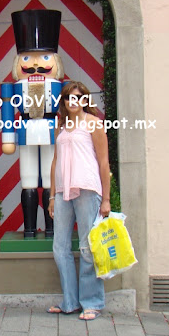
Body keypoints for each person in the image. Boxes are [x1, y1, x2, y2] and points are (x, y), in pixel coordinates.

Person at [47, 81, 111, 321]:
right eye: (68, 98)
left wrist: (106, 199)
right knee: (60, 247)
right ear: (64, 101)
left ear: (85, 100)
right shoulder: (60, 126)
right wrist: (53, 195)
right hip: (63, 192)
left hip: (87, 189)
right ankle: (70, 302)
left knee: (87, 247)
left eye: (78, 97)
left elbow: (104, 162)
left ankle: (92, 303)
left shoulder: (94, 124)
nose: (73, 101)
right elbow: (55, 161)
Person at [0, 9, 64, 238]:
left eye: (45, 58)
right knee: (27, 180)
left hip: (50, 132)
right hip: (26, 132)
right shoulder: (13, 88)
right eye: (27, 58)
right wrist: (8, 138)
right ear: (18, 61)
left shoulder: (60, 87)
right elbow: (7, 112)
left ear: (55, 60)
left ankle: (51, 228)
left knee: (49, 179)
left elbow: (68, 111)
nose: (36, 65)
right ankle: (28, 229)